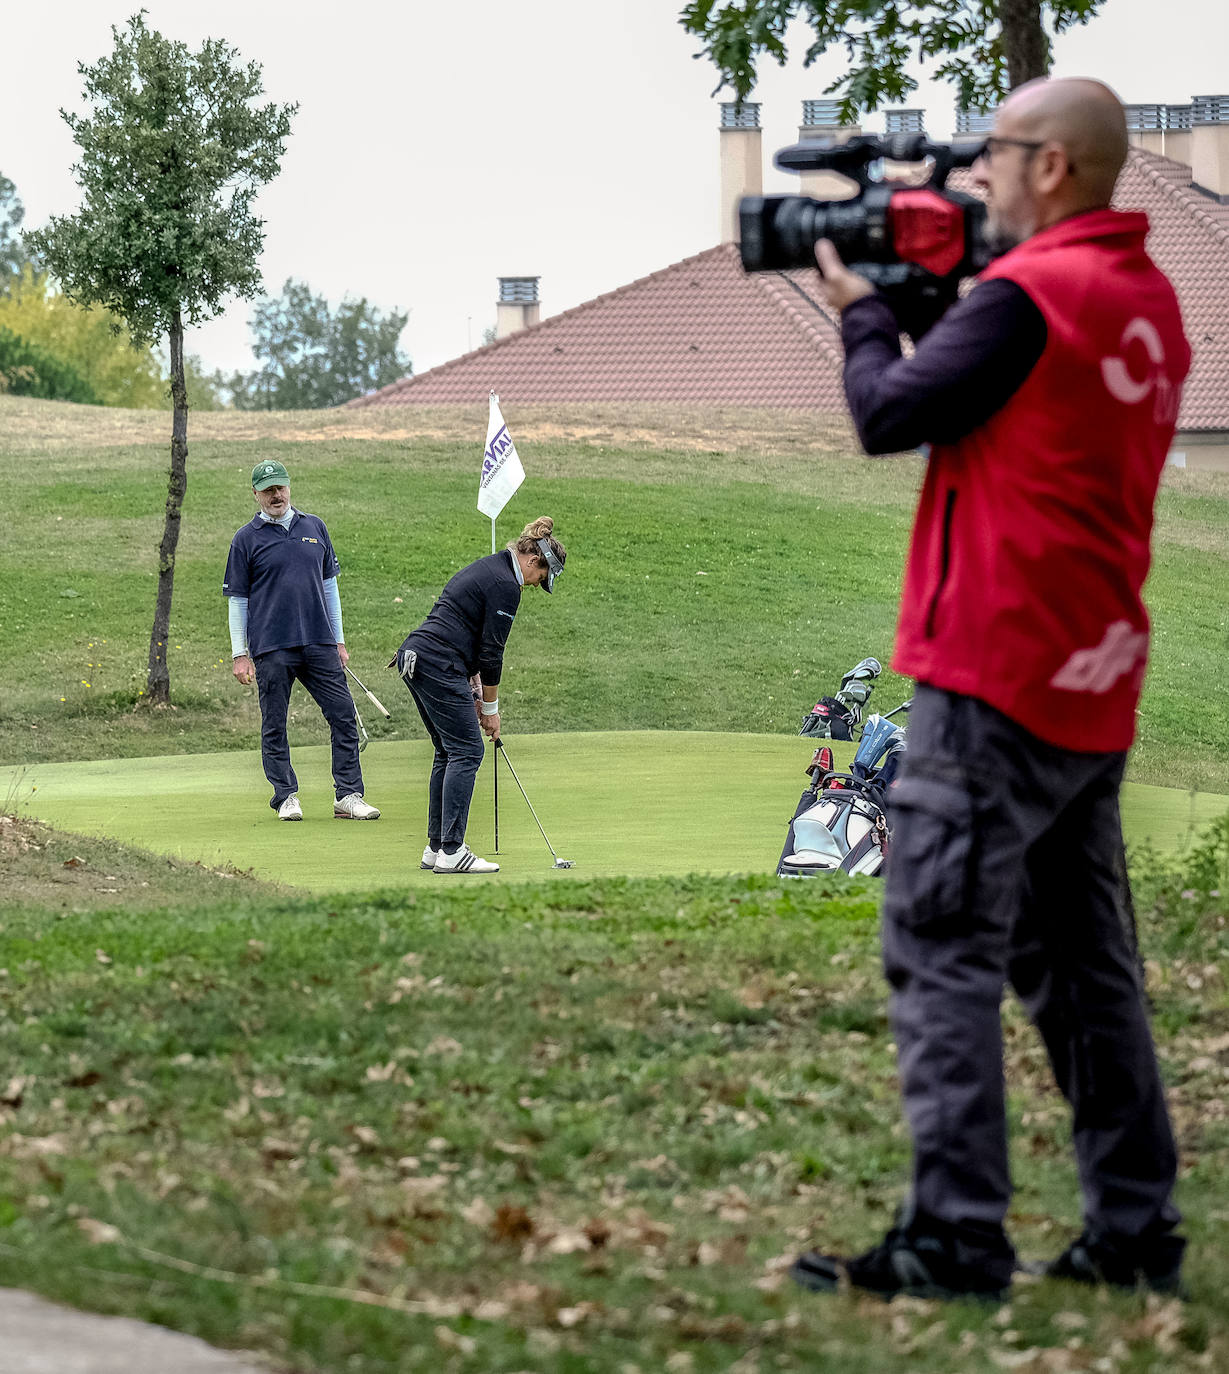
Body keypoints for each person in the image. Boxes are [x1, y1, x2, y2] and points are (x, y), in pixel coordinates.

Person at [790, 77, 1191, 1302]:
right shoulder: (1143, 300)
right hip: (1088, 677)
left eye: (1000, 154)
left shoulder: (1033, 296)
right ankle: (1132, 1233)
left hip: (992, 671)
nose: (980, 175)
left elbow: (886, 413)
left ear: (1055, 168)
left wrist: (859, 311)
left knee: (939, 940)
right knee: (1082, 970)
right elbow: (1013, 402)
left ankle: (954, 1237)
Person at [393, 515, 566, 874]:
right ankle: (453, 851)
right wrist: (491, 709)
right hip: (437, 663)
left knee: (448, 750)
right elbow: (491, 653)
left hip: (419, 658)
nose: (538, 584)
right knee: (468, 750)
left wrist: (472, 690)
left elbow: (468, 634)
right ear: (534, 561)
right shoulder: (506, 584)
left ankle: (437, 847)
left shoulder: (491, 568)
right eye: (542, 576)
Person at [225, 459, 380, 822]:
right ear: (255, 494)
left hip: (319, 641)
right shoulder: (245, 540)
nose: (276, 495)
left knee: (342, 715)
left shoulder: (315, 528)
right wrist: (239, 654)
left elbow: (330, 588)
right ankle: (285, 795)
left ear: (289, 487)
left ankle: (349, 794)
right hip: (271, 646)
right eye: (268, 490)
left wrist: (339, 641)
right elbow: (238, 601)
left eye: (280, 488)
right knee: (275, 722)